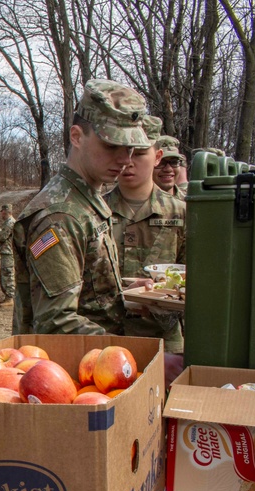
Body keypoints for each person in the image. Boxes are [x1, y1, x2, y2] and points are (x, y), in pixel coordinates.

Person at [16, 78, 151, 336]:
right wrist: (134, 355)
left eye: (131, 147)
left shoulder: (87, 198)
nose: (125, 159)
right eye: (111, 145)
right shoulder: (60, 215)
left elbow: (86, 290)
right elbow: (56, 323)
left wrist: (127, 292)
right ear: (77, 137)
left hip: (97, 365)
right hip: (74, 369)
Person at [105, 115, 186, 353]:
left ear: (157, 157)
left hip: (164, 342)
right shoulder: (95, 212)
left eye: (139, 153)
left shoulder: (181, 212)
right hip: (108, 339)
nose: (128, 162)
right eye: (122, 152)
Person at [0, 204, 16, 307]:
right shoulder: (7, 222)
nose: (1, 214)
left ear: (5, 211)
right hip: (6, 251)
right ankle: (7, 297)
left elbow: (2, 237)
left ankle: (10, 298)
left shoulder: (10, 223)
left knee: (8, 274)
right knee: (4, 275)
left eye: (2, 212)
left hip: (8, 252)